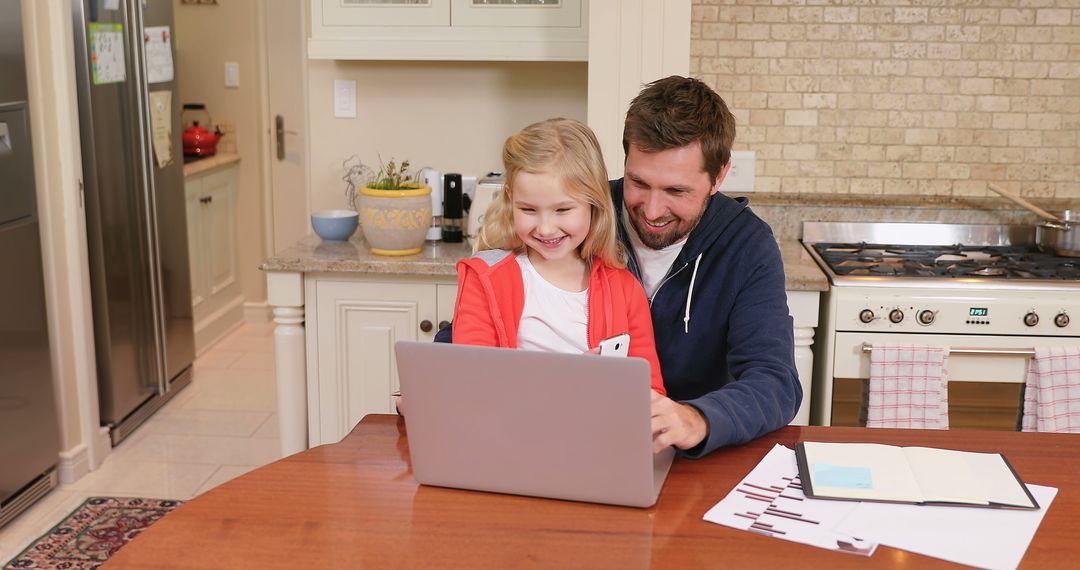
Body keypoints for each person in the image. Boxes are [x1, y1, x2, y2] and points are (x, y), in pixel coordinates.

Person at [616, 76, 801, 456]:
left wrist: (696, 419)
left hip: (695, 458)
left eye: (676, 191)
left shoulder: (746, 244)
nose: (651, 211)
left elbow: (775, 381)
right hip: (586, 442)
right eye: (638, 182)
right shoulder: (583, 217)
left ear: (719, 176)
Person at [452, 118, 666, 396]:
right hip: (510, 435)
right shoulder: (484, 278)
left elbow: (651, 393)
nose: (545, 228)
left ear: (594, 202)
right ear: (510, 198)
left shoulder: (625, 289)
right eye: (528, 210)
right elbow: (473, 384)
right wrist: (568, 380)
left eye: (563, 210)